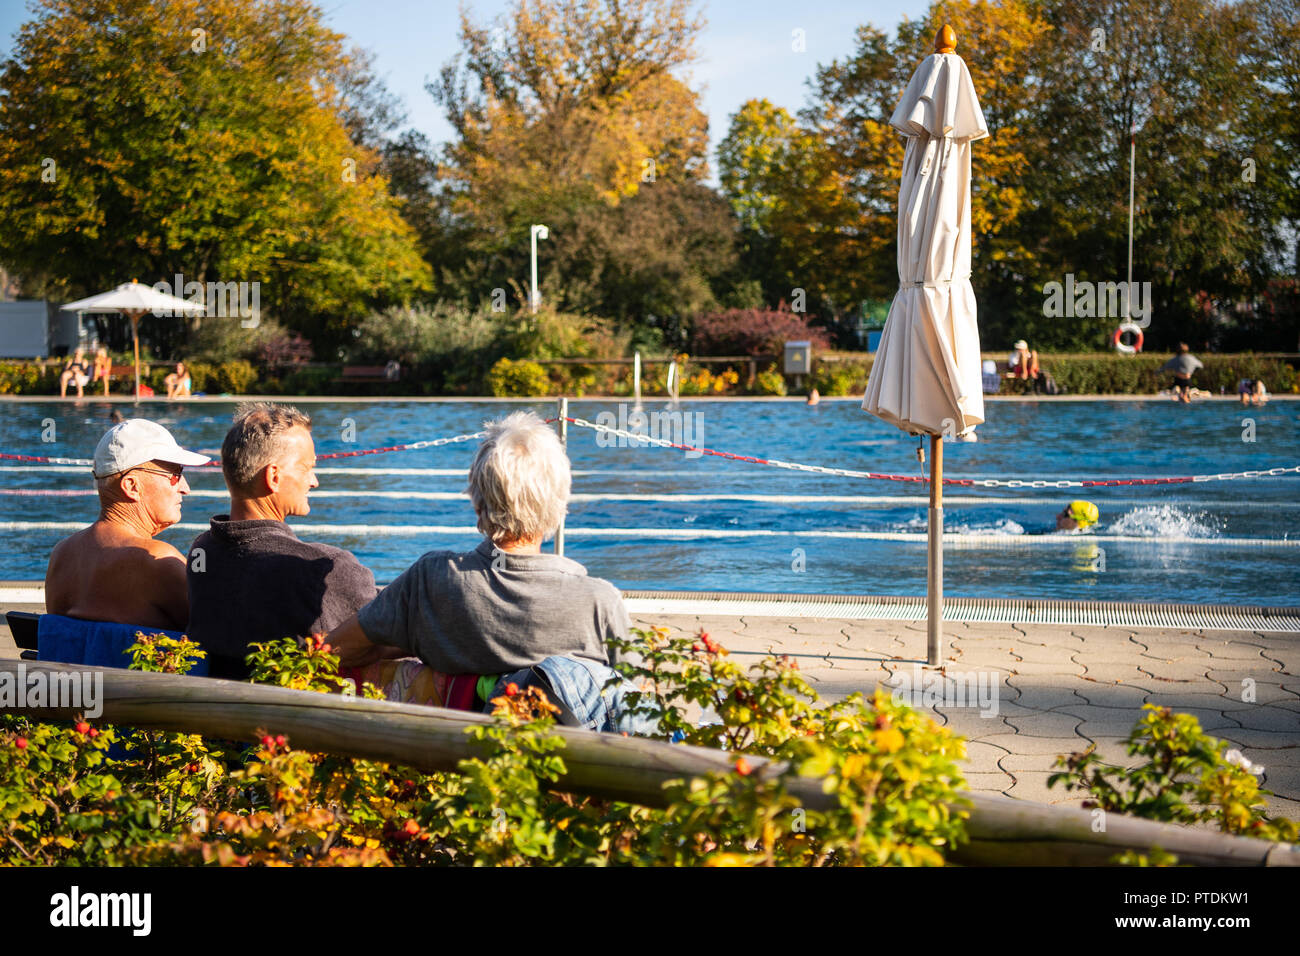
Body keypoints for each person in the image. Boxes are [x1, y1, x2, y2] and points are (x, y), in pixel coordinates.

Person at [327, 411, 644, 731]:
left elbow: (332, 651)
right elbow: (634, 703)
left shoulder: (432, 580)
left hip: (453, 761)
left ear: (477, 500)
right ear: (559, 502)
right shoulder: (599, 603)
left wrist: (412, 641)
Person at [186, 403, 377, 678]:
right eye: (307, 468)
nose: (314, 481)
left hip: (220, 714)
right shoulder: (322, 568)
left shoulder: (202, 552)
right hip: (300, 715)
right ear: (273, 476)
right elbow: (386, 632)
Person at [45, 419, 209, 630]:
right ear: (132, 486)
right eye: (175, 475)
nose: (185, 488)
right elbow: (222, 635)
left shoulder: (62, 555)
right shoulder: (158, 561)